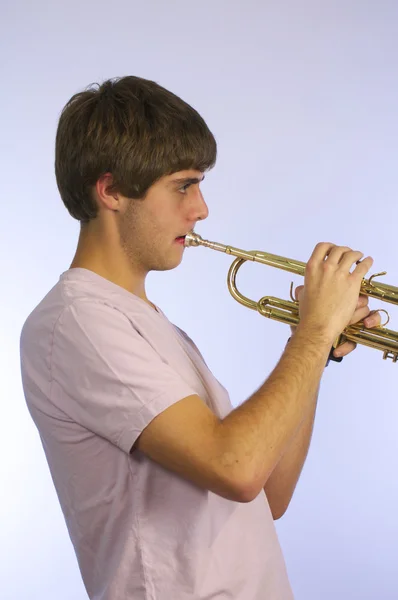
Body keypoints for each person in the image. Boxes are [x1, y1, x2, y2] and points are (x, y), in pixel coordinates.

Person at [19, 75, 381, 600]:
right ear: (111, 190)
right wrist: (315, 328)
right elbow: (235, 468)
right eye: (183, 185)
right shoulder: (77, 324)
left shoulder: (149, 325)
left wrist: (315, 347)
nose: (202, 208)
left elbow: (265, 494)